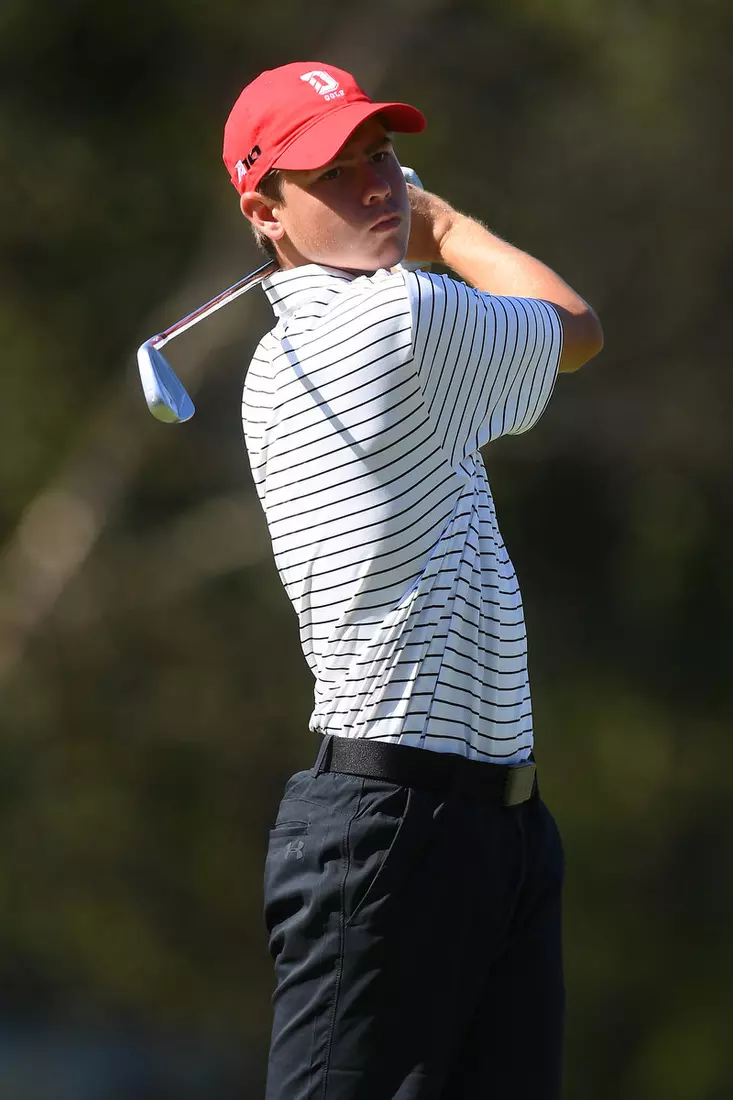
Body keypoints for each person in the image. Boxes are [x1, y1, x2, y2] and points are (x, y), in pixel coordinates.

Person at [222, 61, 603, 1100]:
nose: (378, 184)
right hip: (391, 832)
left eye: (381, 155)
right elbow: (572, 325)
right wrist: (445, 223)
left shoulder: (296, 348)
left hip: (498, 824)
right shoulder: (396, 324)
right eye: (335, 173)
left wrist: (397, 229)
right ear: (267, 212)